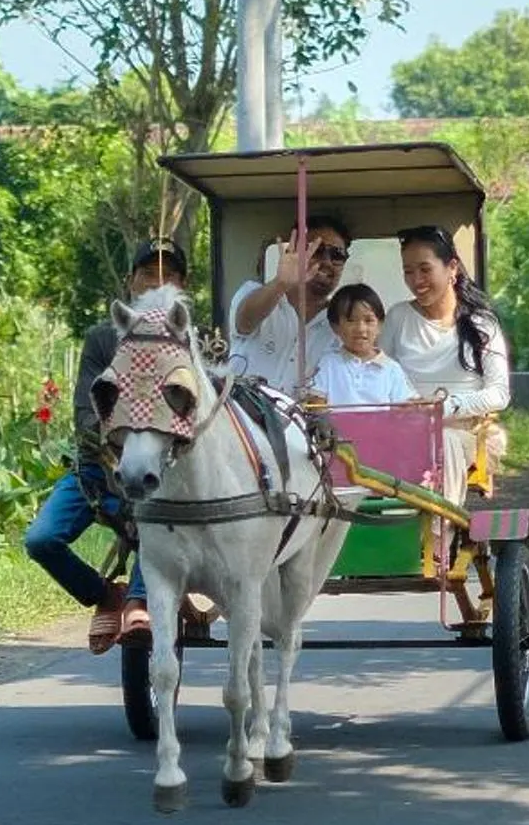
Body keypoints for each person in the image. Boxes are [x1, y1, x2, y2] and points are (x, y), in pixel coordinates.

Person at [23, 236, 190, 649]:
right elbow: (85, 411)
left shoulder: (189, 339)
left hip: (162, 474)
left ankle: (139, 599)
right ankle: (104, 594)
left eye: (168, 276)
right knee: (40, 540)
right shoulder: (102, 339)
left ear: (182, 287)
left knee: (156, 519)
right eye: (148, 275)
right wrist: (115, 447)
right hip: (99, 468)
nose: (157, 283)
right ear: (130, 282)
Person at [382, 225, 512, 490]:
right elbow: (379, 373)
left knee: (445, 440)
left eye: (425, 269)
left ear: (452, 268)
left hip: (467, 433)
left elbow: (499, 394)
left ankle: (442, 526)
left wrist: (444, 407)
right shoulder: (398, 317)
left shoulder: (481, 323)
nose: (416, 280)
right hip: (408, 429)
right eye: (408, 271)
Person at [229, 211, 352, 394]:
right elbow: (244, 321)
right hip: (240, 416)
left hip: (299, 421)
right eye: (316, 250)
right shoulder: (254, 292)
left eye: (337, 254)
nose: (326, 261)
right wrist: (281, 284)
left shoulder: (341, 324)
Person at [306, 282, 417, 409]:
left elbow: (403, 409)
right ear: (335, 326)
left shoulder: (392, 369)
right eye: (350, 320)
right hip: (335, 428)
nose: (360, 328)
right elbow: (316, 404)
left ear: (380, 325)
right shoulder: (328, 363)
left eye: (368, 320)